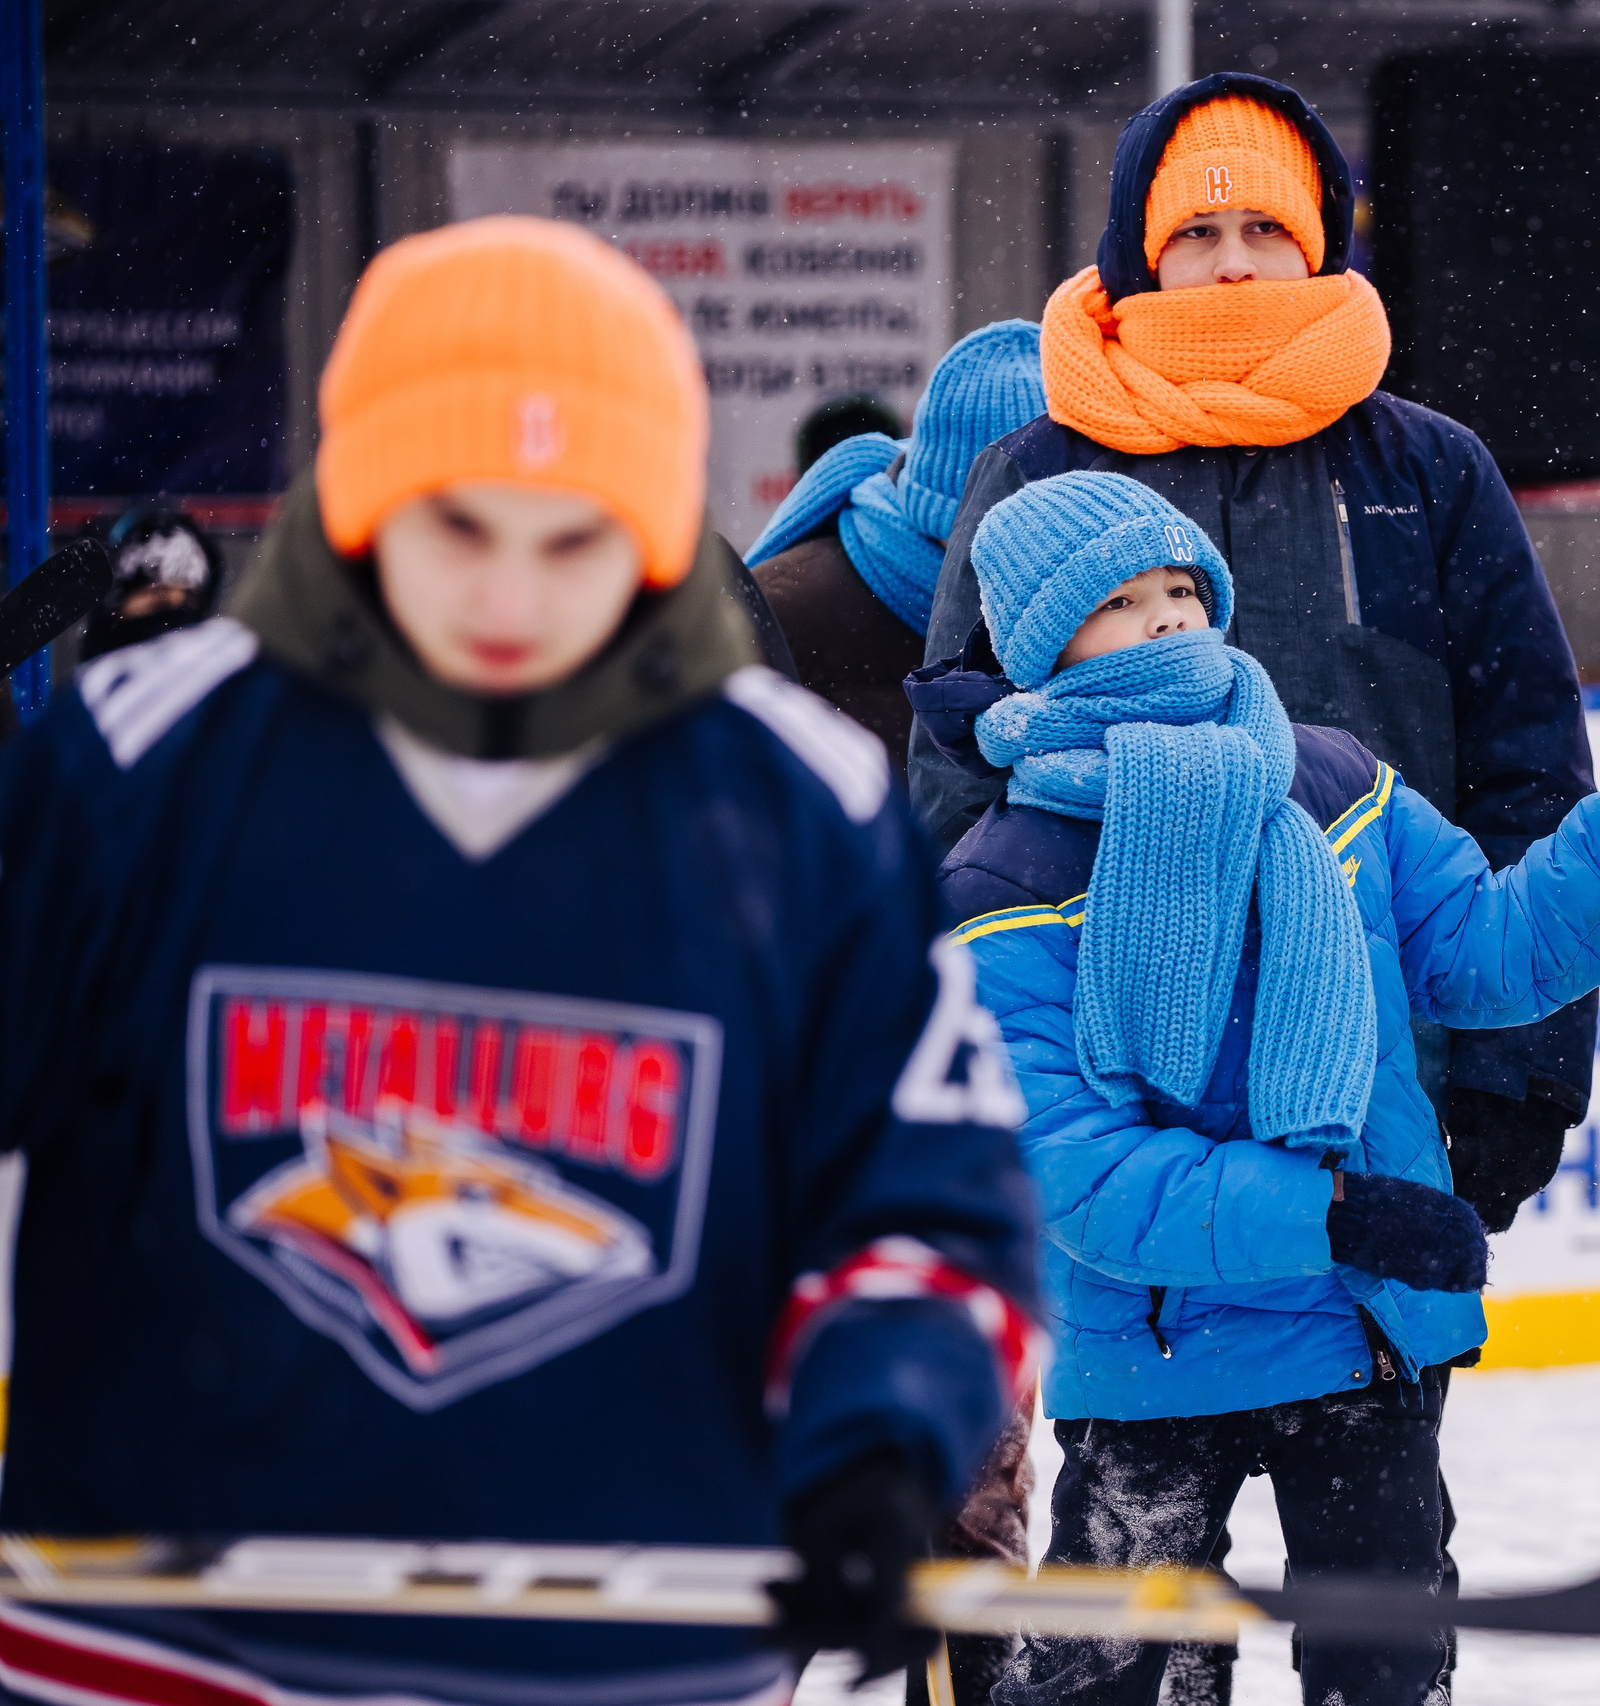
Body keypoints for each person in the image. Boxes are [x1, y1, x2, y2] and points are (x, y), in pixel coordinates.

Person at [0, 218, 1044, 1706]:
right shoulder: (143, 766)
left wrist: (879, 1438)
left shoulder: (797, 811)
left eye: (573, 539)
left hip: (626, 1655)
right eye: (457, 526)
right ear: (358, 504)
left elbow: (929, 1195)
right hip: (166, 1652)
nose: (510, 599)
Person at [906, 469, 1600, 1706]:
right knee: (1122, 1686)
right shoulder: (1002, 880)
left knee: (1385, 1677)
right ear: (1041, 641)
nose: (1169, 619)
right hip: (1156, 1355)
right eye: (1122, 601)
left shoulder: (1330, 780)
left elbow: (1484, 948)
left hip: (1360, 1336)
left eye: (1185, 586)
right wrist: (1332, 1209)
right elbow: (1078, 1174)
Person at [910, 74, 1598, 1239]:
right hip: (1105, 1082)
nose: (1234, 263)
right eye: (1196, 231)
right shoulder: (1037, 471)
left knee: (1375, 1407)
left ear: (1321, 244)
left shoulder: (1428, 470)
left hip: (1383, 1066)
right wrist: (950, 1070)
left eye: (1267, 228)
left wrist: (1516, 1073)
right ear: (1140, 255)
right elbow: (959, 777)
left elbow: (1527, 773)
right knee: (1139, 1418)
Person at [746, 320, 1046, 768]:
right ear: (948, 515)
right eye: (1011, 539)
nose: (1033, 565)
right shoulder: (777, 617)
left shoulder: (1091, 616)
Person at [77, 503, 227, 660]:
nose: (170, 600)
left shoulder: (223, 660)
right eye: (153, 596)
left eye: (187, 599)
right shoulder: (98, 676)